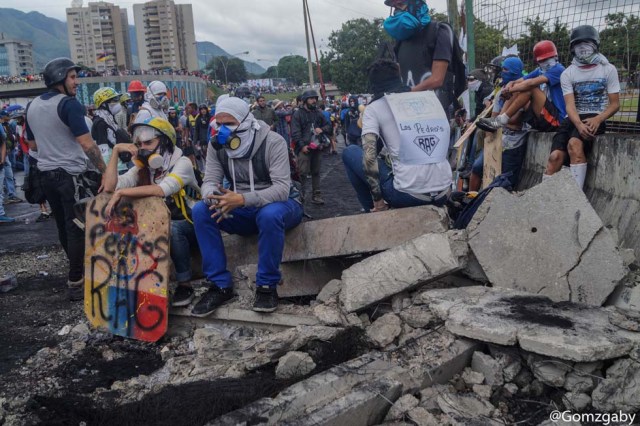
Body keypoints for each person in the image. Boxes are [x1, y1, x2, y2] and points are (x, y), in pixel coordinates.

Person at [191, 97, 303, 315]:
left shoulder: (273, 142)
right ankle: (219, 285)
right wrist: (212, 196)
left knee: (269, 215)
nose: (223, 130)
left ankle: (266, 286)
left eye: (229, 124)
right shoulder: (217, 146)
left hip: (282, 204)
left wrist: (242, 200)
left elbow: (281, 189)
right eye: (219, 124)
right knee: (201, 211)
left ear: (245, 121)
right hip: (240, 206)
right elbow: (210, 180)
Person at [25, 57, 107, 300]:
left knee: (62, 224)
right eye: (72, 77)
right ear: (59, 79)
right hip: (70, 175)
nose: (76, 82)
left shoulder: (32, 105)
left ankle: (75, 272)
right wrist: (104, 171)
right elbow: (87, 144)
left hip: (46, 175)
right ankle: (76, 279)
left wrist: (52, 147)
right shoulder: (69, 105)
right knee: (77, 228)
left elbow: (32, 144)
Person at [104, 117, 201, 307]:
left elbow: (162, 189)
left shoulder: (182, 163)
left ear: (164, 141)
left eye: (148, 142)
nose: (143, 148)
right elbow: (109, 187)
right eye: (139, 144)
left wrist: (122, 192)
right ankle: (139, 287)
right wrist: (115, 152)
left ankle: (184, 284)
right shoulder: (145, 169)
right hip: (160, 222)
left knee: (172, 229)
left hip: (192, 223)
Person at [342, 59, 452, 212]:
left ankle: (372, 210)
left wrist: (378, 199)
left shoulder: (374, 108)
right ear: (398, 78)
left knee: (349, 152)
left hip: (407, 196)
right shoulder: (430, 98)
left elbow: (369, 157)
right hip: (445, 192)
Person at [543, 25, 620, 189]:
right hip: (573, 118)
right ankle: (543, 201)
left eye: (587, 43)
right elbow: (569, 105)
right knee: (554, 157)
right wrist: (578, 124)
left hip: (595, 116)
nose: (583, 47)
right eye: (578, 44)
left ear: (595, 45)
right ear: (572, 48)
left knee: (574, 144)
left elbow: (615, 104)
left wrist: (599, 119)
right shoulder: (568, 73)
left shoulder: (608, 69)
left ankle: (576, 200)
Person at [478, 40, 566, 133]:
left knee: (529, 88)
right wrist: (510, 84)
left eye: (549, 58)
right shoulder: (540, 70)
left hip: (557, 120)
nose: (546, 62)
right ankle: (499, 121)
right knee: (519, 87)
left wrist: (509, 90)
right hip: (541, 117)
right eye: (542, 60)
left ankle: (501, 120)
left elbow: (530, 83)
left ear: (556, 56)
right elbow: (520, 81)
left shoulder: (559, 69)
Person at [469, 57, 530, 191]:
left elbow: (515, 120)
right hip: (498, 140)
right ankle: (470, 199)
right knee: (477, 168)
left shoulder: (524, 93)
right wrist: (490, 144)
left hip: (514, 143)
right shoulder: (501, 93)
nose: (502, 73)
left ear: (515, 72)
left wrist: (502, 121)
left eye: (506, 69)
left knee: (505, 182)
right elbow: (494, 120)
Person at [383, 0, 455, 113]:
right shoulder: (401, 40)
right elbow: (399, 75)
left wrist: (409, 92)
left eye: (400, 5)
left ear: (415, 4)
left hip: (435, 112)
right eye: (394, 7)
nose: (397, 11)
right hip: (408, 112)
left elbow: (437, 79)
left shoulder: (438, 31)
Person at [291, 89, 332, 205]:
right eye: (311, 98)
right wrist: (302, 145)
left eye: (315, 98)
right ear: (305, 100)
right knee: (302, 173)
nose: (314, 100)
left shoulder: (318, 113)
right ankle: (300, 195)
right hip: (304, 149)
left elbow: (329, 126)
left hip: (317, 148)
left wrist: (322, 129)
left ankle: (317, 195)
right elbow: (295, 132)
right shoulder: (297, 114)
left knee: (316, 172)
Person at [91, 87, 131, 175]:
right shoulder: (100, 122)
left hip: (120, 164)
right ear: (104, 104)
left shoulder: (109, 119)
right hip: (115, 169)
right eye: (114, 100)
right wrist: (106, 172)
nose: (117, 103)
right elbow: (103, 150)